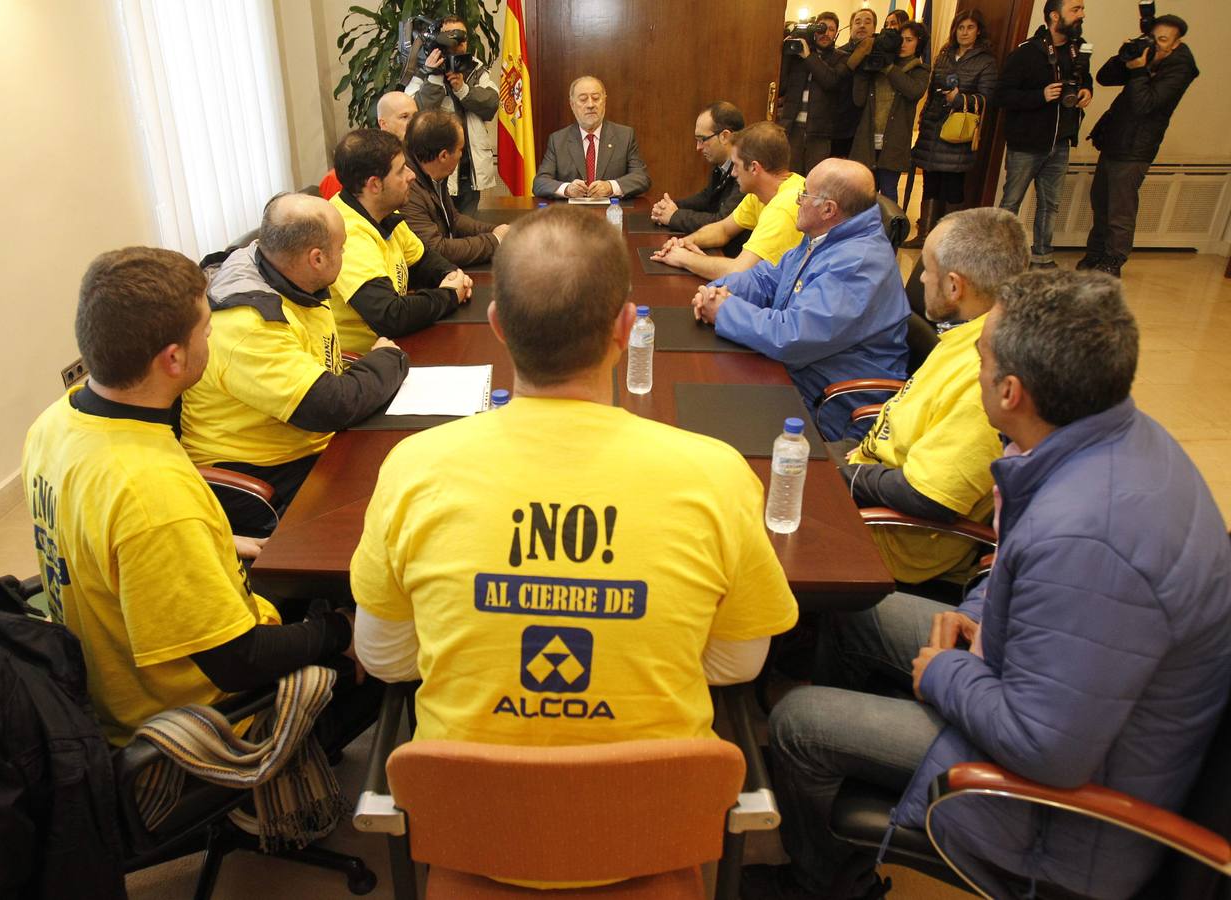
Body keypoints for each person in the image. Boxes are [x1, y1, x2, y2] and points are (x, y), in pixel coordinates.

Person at [754, 270, 1231, 900]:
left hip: (1062, 808)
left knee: (798, 722)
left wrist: (944, 676)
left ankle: (824, 885)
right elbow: (1020, 571)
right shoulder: (1102, 436)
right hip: (1034, 685)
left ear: (1010, 392)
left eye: (979, 356)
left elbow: (1046, 750)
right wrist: (978, 608)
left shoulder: (1092, 539)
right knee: (858, 608)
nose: (970, 364)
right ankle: (860, 774)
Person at [348, 206, 798, 747]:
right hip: (655, 819)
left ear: (496, 326)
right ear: (628, 328)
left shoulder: (411, 469)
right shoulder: (718, 475)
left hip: (465, 817)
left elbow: (385, 659)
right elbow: (738, 663)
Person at [23, 247, 378, 747]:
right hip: (201, 720)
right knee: (389, 651)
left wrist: (214, 540)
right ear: (173, 358)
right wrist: (342, 630)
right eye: (207, 331)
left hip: (105, 675)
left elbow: (103, 541)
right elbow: (240, 661)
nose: (211, 339)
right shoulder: (152, 494)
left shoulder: (55, 423)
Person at [179, 193, 409, 536]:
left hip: (307, 439)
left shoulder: (287, 272)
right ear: (316, 259)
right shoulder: (249, 324)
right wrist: (389, 357)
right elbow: (332, 404)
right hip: (261, 473)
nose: (345, 255)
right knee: (391, 511)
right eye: (342, 248)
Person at [841, 208, 1027, 587]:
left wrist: (840, 475)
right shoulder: (964, 334)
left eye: (926, 269)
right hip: (868, 475)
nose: (921, 278)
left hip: (892, 540)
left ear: (955, 286)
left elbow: (928, 497)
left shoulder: (984, 377)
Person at [691, 158, 909, 442]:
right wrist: (717, 290)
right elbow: (768, 278)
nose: (797, 200)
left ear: (828, 209)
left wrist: (724, 310)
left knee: (709, 420)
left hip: (831, 403)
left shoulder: (857, 264)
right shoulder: (825, 236)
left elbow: (792, 335)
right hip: (801, 373)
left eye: (804, 194)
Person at [329, 128, 471, 354]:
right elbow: (389, 315)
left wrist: (451, 275)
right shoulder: (346, 232)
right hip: (363, 361)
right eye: (401, 170)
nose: (411, 175)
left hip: (399, 346)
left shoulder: (382, 212)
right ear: (374, 185)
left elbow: (423, 260)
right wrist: (450, 295)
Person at [1081, 14, 1198, 277]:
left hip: (1135, 148)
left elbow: (1144, 104)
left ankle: (1113, 262)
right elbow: (1104, 78)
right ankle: (1096, 253)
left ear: (1175, 45)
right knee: (1100, 202)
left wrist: (1137, 70)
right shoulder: (1146, 57)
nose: (1156, 44)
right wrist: (1126, 56)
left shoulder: (1179, 70)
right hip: (1114, 140)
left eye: (1163, 40)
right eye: (1153, 38)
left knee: (1120, 210)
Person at [995, 0, 1092, 269]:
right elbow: (1001, 95)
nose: (1081, 14)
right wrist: (1040, 95)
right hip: (1027, 144)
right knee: (1011, 203)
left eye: (1082, 9)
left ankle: (1042, 256)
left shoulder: (1079, 49)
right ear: (1054, 15)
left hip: (1060, 143)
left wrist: (1087, 91)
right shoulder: (1026, 53)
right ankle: (1001, 257)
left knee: (1051, 205)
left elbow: (1087, 79)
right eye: (1076, 9)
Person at [651, 121, 805, 281]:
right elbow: (723, 229)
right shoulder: (761, 193)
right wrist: (685, 242)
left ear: (754, 168)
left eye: (736, 165)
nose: (732, 173)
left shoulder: (784, 206)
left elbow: (740, 271)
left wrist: (683, 258)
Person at [906, 10, 998, 248]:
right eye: (960, 28)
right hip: (933, 128)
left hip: (959, 132)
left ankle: (947, 241)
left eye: (969, 27)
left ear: (978, 31)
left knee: (952, 186)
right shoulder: (944, 55)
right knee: (930, 183)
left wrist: (958, 99)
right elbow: (932, 90)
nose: (964, 32)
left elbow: (986, 98)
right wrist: (924, 119)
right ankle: (925, 233)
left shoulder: (986, 61)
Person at [406, 15, 499, 215]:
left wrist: (463, 90)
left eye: (462, 38)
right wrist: (433, 77)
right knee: (438, 229)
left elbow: (491, 103)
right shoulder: (423, 70)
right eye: (451, 37)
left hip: (468, 170)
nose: (458, 44)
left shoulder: (476, 68)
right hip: (434, 170)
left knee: (466, 227)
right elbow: (412, 113)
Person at [401, 109, 509, 268]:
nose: (461, 155)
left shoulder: (432, 171)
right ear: (443, 156)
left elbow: (454, 220)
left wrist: (496, 230)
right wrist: (495, 240)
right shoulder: (407, 187)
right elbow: (436, 250)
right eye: (461, 150)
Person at [650, 101, 749, 257]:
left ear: (724, 136)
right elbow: (707, 198)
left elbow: (721, 220)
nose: (698, 147)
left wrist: (675, 216)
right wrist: (671, 206)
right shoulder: (722, 164)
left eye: (703, 139)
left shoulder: (745, 172)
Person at [532, 76, 651, 199]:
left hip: (611, 214)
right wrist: (567, 189)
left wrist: (611, 187)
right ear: (572, 105)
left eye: (596, 98)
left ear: (604, 102)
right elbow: (540, 183)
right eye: (583, 99)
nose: (590, 105)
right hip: (572, 215)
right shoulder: (558, 140)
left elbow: (642, 178)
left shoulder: (624, 136)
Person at [849, 21, 929, 203]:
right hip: (867, 140)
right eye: (901, 39)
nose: (903, 44)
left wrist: (889, 67)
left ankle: (889, 231)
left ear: (919, 43)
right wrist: (863, 69)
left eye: (909, 40)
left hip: (893, 142)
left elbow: (913, 91)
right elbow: (858, 99)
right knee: (863, 194)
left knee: (888, 193)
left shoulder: (919, 70)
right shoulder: (876, 65)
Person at [777, 12, 849, 175]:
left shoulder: (841, 58)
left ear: (836, 34)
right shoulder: (798, 55)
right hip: (792, 128)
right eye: (821, 28)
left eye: (831, 29)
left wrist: (808, 56)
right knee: (789, 178)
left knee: (814, 180)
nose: (825, 33)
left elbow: (830, 81)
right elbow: (781, 87)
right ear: (813, 31)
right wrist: (787, 52)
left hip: (820, 133)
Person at [319, 92, 419, 200]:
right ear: (383, 124)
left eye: (415, 116)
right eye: (404, 117)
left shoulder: (422, 156)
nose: (413, 123)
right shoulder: (337, 178)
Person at [832, 8, 879, 158]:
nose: (862, 26)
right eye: (857, 22)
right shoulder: (838, 53)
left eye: (867, 22)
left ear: (874, 28)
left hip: (866, 126)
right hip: (839, 124)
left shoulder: (880, 56)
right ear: (851, 27)